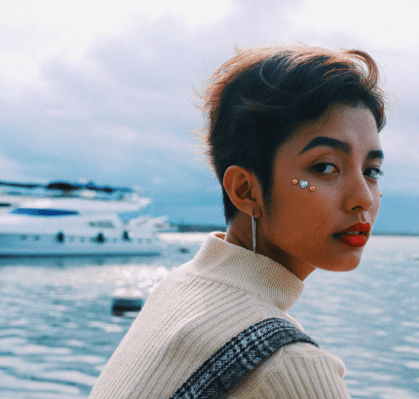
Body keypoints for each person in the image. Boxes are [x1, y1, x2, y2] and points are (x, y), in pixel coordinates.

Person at [89, 44, 386, 398]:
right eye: (324, 168)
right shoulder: (288, 367)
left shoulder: (180, 288)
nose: (363, 198)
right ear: (246, 190)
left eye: (372, 171)